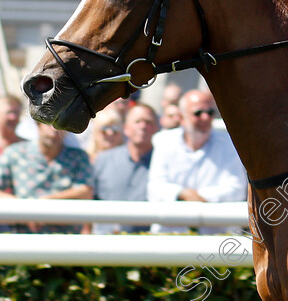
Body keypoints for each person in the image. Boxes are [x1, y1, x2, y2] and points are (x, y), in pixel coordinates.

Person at [147, 89, 247, 234]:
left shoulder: (230, 143)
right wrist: (184, 194)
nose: (205, 117)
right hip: (170, 233)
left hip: (216, 236)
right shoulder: (163, 141)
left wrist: (197, 197)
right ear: (181, 117)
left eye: (210, 112)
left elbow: (236, 189)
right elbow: (155, 187)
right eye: (198, 113)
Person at [0, 122, 92, 234]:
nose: (54, 130)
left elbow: (85, 191)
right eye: (50, 123)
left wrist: (46, 204)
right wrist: (23, 209)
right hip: (22, 238)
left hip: (65, 238)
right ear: (38, 124)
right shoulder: (16, 153)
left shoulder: (79, 157)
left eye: (61, 125)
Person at [91, 103, 158, 234]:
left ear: (156, 128)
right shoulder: (103, 159)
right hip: (103, 241)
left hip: (145, 242)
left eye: (148, 122)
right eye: (138, 121)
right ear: (126, 128)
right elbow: (89, 199)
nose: (143, 126)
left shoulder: (162, 164)